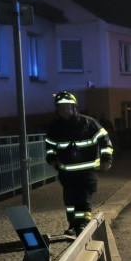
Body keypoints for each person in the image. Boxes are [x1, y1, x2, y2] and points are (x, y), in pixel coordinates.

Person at [44, 91, 114, 236]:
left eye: (68, 107)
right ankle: (73, 224)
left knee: (83, 199)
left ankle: (83, 225)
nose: (66, 111)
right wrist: (52, 161)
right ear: (57, 110)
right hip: (66, 172)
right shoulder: (54, 127)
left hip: (87, 171)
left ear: (74, 107)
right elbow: (50, 147)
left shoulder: (89, 123)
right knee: (70, 200)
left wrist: (106, 159)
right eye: (62, 108)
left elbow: (105, 140)